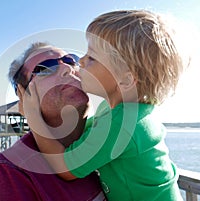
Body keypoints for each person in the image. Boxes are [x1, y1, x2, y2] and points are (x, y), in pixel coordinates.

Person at [23, 10, 187, 200]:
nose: (80, 62)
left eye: (91, 58)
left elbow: (66, 168)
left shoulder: (122, 124)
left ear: (125, 80)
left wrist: (33, 118)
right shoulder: (124, 113)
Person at [0, 42, 105, 201]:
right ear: (25, 95)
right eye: (47, 68)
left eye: (71, 60)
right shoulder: (12, 171)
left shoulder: (111, 135)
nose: (67, 69)